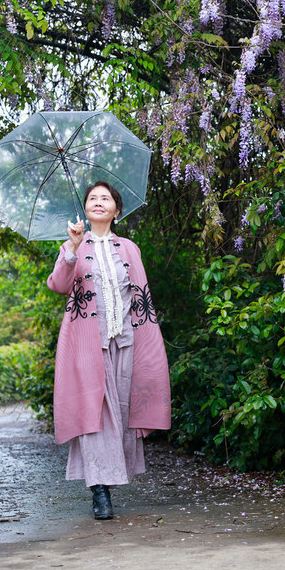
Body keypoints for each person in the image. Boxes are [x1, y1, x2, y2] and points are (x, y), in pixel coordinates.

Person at [46, 181, 171, 520]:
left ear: (116, 210)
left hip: (126, 341)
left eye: (105, 198)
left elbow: (140, 296)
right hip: (88, 346)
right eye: (92, 198)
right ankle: (99, 491)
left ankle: (108, 481)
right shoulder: (73, 245)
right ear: (86, 208)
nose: (98, 202)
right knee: (95, 414)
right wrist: (72, 249)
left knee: (122, 413)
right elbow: (58, 285)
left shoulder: (129, 248)